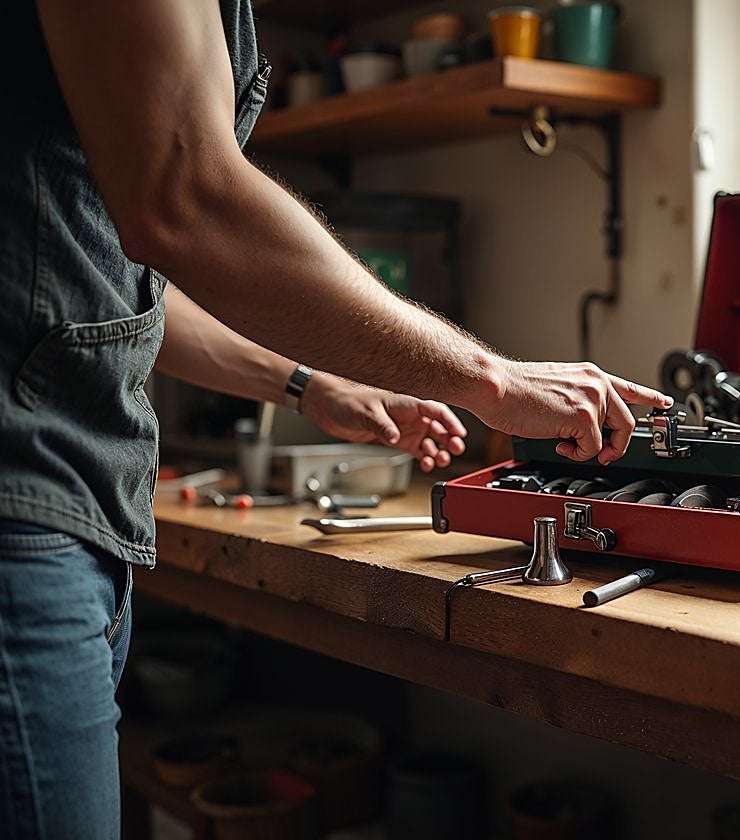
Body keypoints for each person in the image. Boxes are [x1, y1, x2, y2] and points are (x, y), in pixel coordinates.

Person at [0, 1, 672, 836]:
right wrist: (488, 377)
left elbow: (118, 283)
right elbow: (182, 200)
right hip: (24, 513)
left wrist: (311, 386)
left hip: (72, 507)